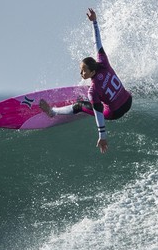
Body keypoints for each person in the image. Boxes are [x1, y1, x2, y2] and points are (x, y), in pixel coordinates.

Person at [40, 8, 132, 154]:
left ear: (92, 72)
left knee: (79, 106)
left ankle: (52, 112)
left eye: (84, 71)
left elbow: (99, 114)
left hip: (116, 113)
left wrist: (102, 136)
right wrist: (94, 21)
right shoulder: (103, 62)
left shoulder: (93, 90)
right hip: (128, 101)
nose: (81, 73)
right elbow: (98, 42)